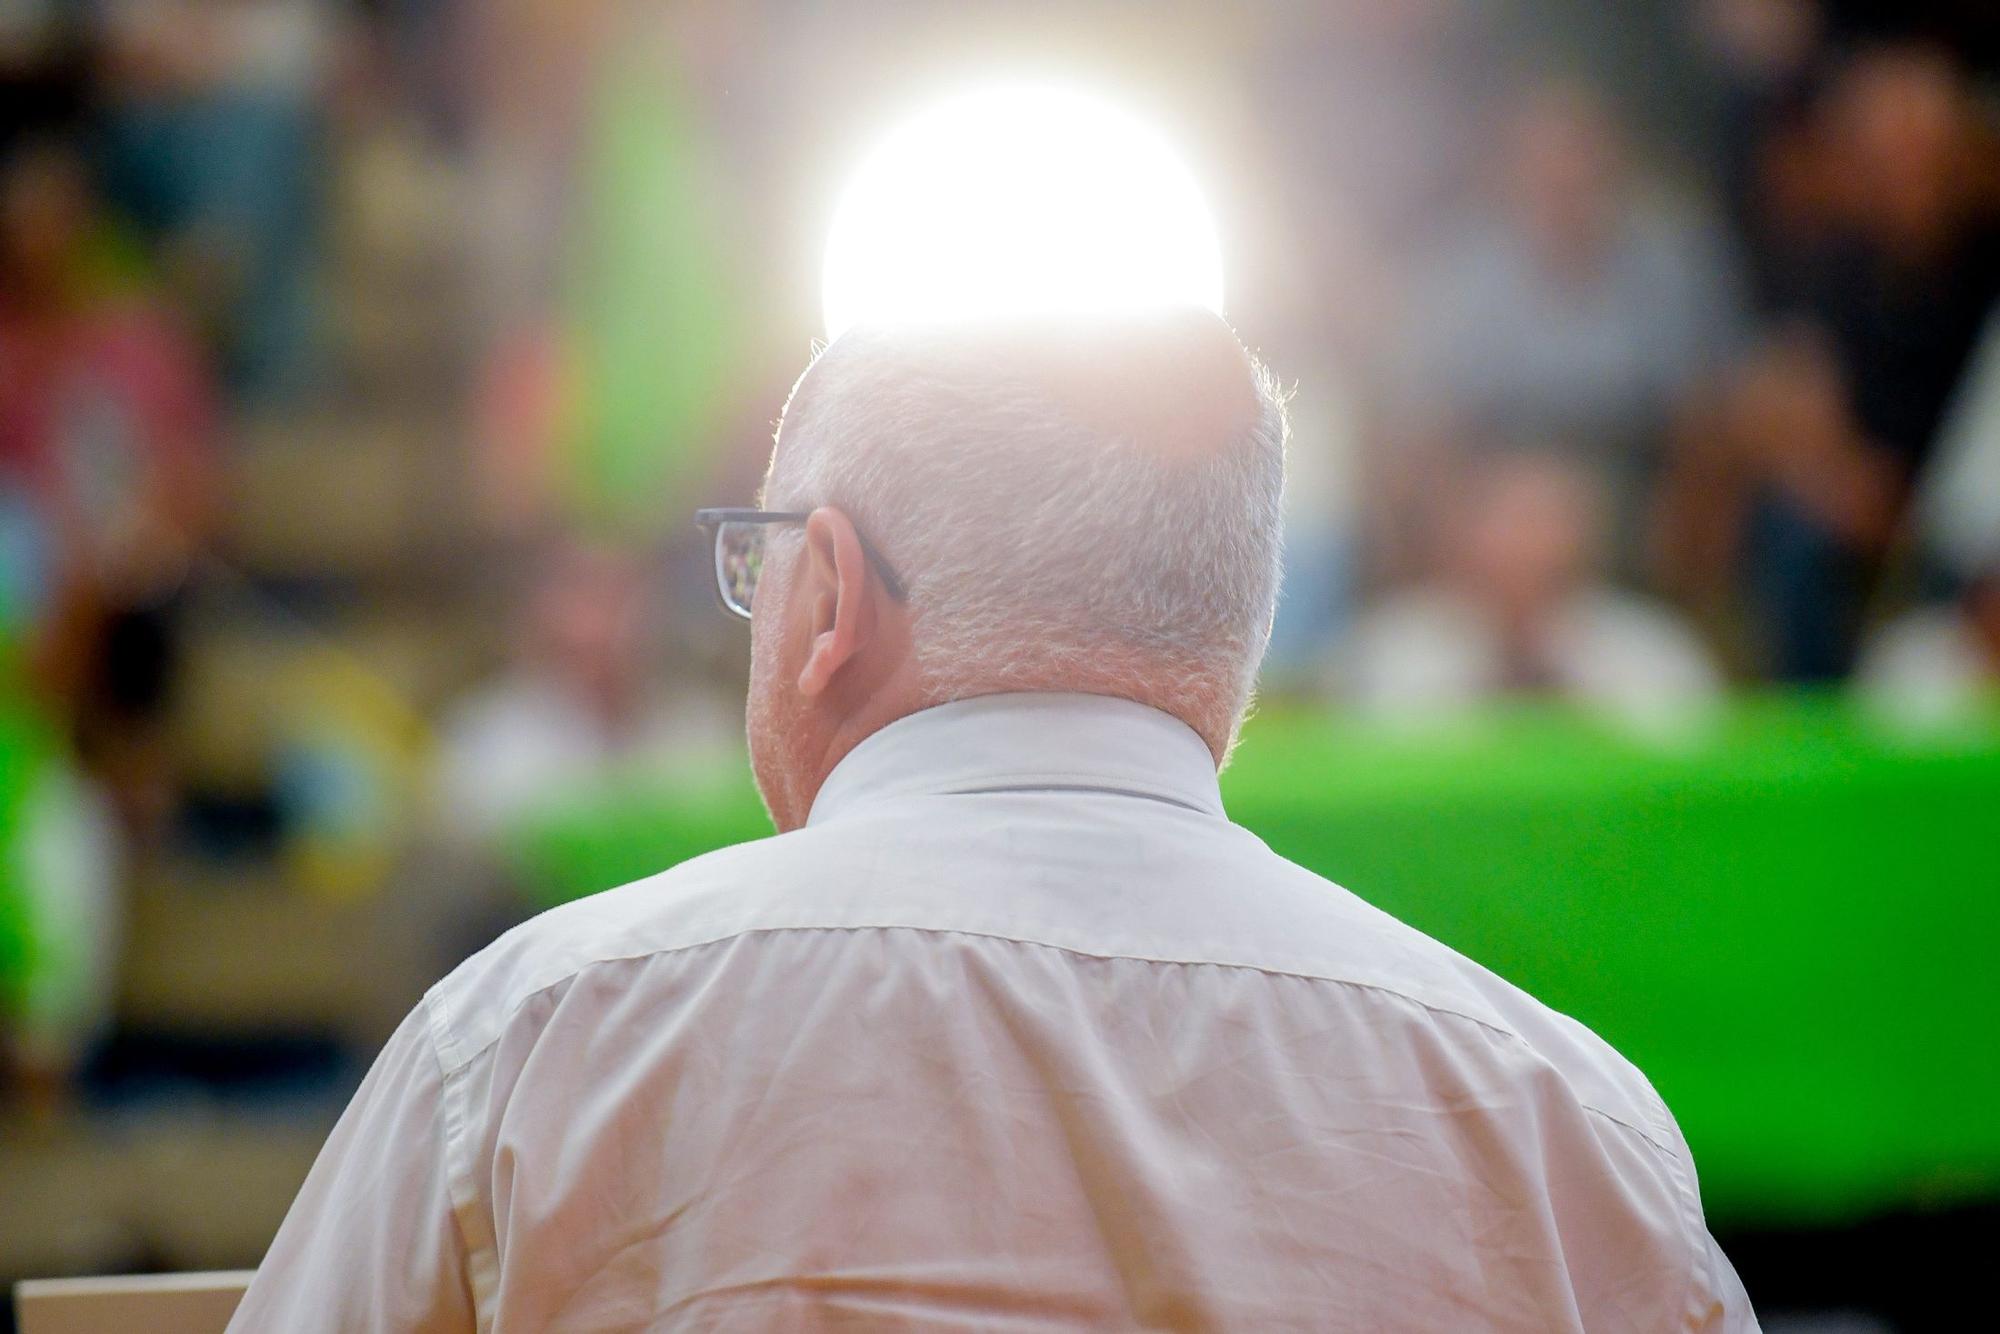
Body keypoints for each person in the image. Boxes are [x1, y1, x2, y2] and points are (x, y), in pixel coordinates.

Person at [232, 311, 1754, 1330]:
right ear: (1232, 632)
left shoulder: (536, 1045)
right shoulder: (1562, 1128)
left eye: (761, 567)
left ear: (824, 594)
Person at [1339, 449, 1722, 730]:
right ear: (1461, 540)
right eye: (1512, 523)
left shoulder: (1650, 649)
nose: (1528, 548)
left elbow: (1686, 766)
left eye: (1546, 524)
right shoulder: (1394, 650)